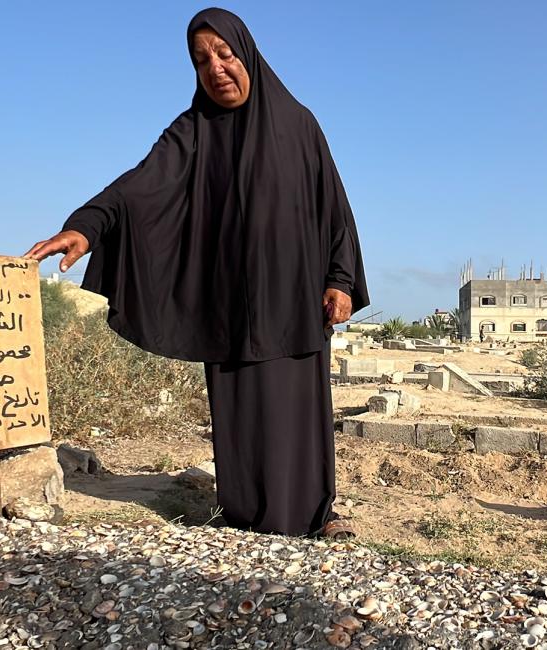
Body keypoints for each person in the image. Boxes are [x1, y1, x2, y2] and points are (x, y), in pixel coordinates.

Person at [24, 8, 369, 538]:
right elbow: (136, 188)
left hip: (296, 297)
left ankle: (315, 515)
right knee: (241, 408)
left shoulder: (299, 124)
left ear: (246, 53)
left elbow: (334, 210)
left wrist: (340, 280)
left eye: (224, 54)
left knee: (297, 408)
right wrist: (87, 226)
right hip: (228, 300)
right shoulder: (193, 132)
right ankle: (250, 517)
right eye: (201, 60)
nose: (216, 69)